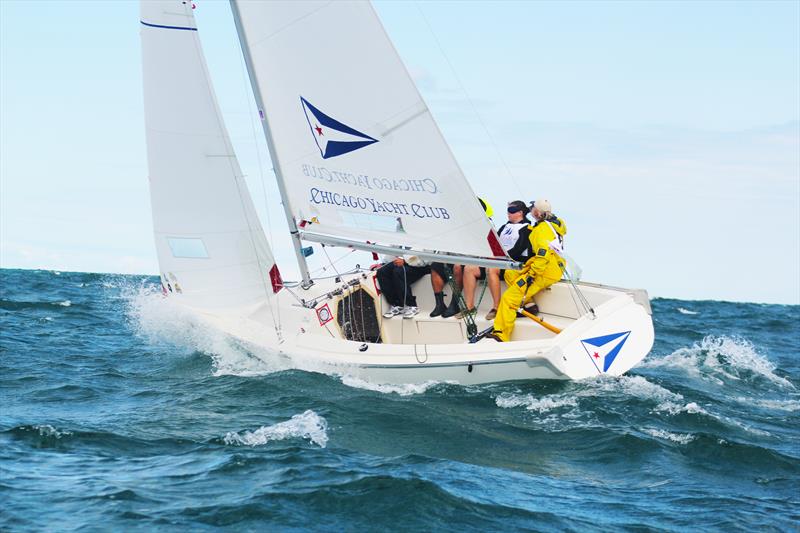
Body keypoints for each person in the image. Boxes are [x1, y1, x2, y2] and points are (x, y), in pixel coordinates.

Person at [489, 198, 567, 342]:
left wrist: (532, 274)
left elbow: (543, 253)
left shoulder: (542, 229)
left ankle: (501, 333)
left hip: (544, 271)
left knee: (509, 298)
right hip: (552, 267)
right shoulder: (552, 224)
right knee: (510, 273)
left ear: (537, 212)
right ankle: (529, 305)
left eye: (532, 208)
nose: (530, 210)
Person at [464, 200, 532, 321]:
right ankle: (469, 307)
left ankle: (496, 307)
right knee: (469, 269)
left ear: (520, 213)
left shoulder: (527, 228)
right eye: (507, 210)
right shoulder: (504, 227)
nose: (508, 213)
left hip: (512, 263)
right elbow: (494, 243)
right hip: (498, 260)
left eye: (511, 211)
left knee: (492, 269)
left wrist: (499, 257)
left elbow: (518, 250)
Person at [429, 196, 494, 318]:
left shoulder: (486, 225)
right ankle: (439, 304)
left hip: (471, 260)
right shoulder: (458, 224)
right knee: (435, 265)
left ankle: (455, 303)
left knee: (458, 267)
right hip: (454, 257)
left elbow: (488, 249)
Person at [377, 254, 432, 319]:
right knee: (382, 271)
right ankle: (397, 304)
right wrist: (384, 264)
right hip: (405, 262)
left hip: (422, 265)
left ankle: (412, 306)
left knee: (398, 271)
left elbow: (426, 260)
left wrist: (405, 261)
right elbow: (394, 249)